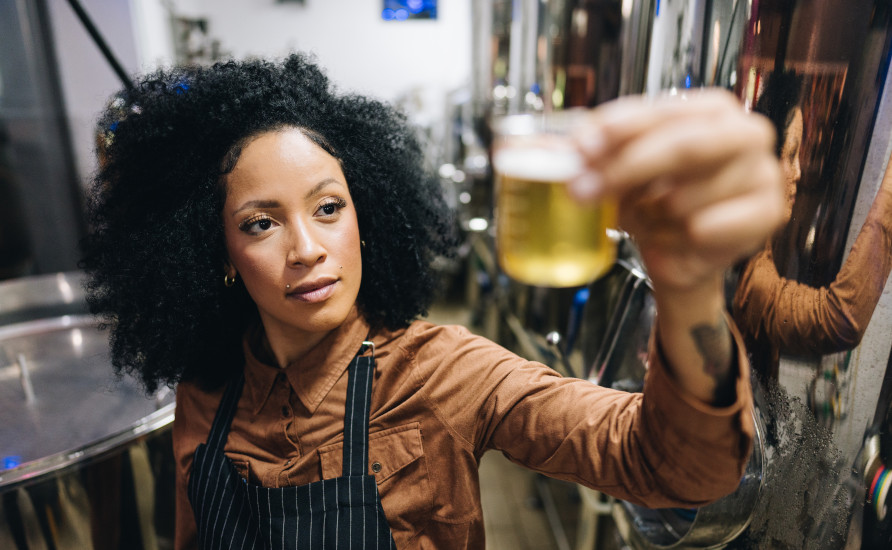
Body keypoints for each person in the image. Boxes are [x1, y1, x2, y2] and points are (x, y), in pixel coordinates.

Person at [81, 54, 783, 549]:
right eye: (260, 223)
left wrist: (689, 289)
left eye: (328, 208)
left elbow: (677, 468)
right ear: (220, 255)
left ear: (368, 216)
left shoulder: (444, 371)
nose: (306, 247)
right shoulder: (208, 388)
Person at [732, 71, 892, 380]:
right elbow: (840, 320)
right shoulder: (754, 284)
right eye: (791, 155)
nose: (799, 172)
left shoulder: (751, 247)